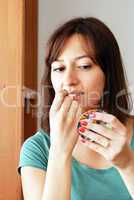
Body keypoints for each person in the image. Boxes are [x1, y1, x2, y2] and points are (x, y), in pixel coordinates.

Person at [18, 17, 134, 200]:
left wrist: (128, 164)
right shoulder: (37, 149)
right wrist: (60, 151)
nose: (69, 80)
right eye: (59, 68)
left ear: (109, 72)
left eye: (84, 66)